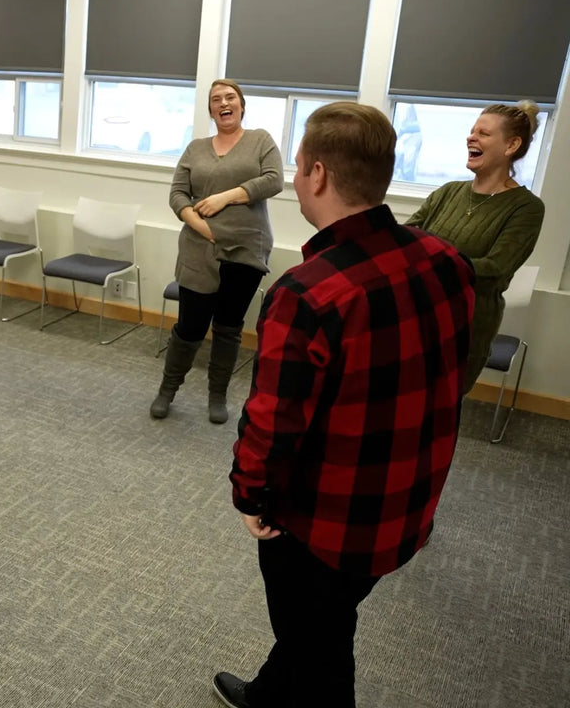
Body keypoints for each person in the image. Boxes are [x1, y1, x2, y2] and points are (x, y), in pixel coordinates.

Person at [216, 103, 475, 708]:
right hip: (408, 504)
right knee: (322, 620)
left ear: (319, 175)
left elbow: (272, 425)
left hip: (326, 525)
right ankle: (267, 694)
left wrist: (249, 495)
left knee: (321, 648)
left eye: (301, 163)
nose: (299, 173)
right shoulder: (446, 261)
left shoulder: (309, 294)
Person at [153, 79, 283, 423]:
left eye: (230, 97)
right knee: (190, 326)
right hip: (199, 248)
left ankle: (217, 395)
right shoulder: (195, 148)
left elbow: (274, 180)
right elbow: (177, 195)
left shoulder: (261, 141)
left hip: (246, 249)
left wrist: (227, 196)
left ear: (241, 105)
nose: (223, 103)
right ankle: (167, 390)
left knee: (228, 326)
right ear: (210, 110)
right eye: (216, 100)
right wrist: (202, 227)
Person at [408, 102, 545, 392]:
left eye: (483, 133)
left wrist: (430, 259)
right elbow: (408, 235)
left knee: (439, 414)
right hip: (416, 316)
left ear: (511, 145)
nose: (471, 138)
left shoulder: (527, 208)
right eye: (472, 131)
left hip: (465, 329)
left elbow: (496, 269)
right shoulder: (448, 192)